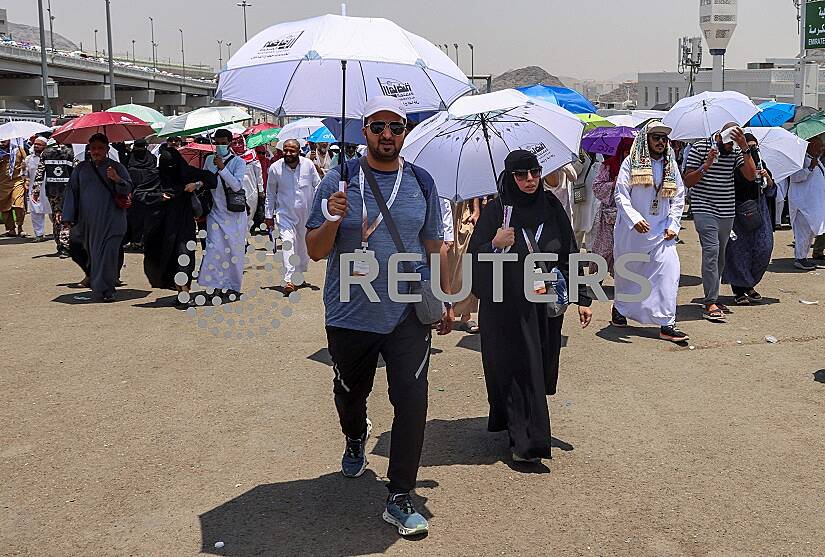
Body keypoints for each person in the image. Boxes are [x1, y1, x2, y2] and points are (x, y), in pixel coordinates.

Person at [305, 95, 449, 537]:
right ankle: (354, 435)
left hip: (407, 310)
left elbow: (434, 246)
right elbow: (314, 250)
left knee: (412, 400)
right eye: (378, 127)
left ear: (405, 133)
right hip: (350, 311)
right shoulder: (340, 178)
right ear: (364, 131)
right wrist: (333, 218)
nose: (387, 135)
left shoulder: (421, 182)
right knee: (351, 391)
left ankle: (400, 496)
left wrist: (442, 295)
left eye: (396, 127)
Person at [468, 149, 593, 463]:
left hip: (543, 303)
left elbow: (569, 250)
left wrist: (583, 297)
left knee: (537, 366)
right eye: (521, 175)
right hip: (506, 308)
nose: (530, 180)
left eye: (535, 173)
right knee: (519, 368)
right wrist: (494, 245)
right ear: (510, 177)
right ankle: (527, 443)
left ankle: (515, 426)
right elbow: (475, 258)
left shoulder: (550, 206)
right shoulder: (497, 212)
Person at [610, 121, 688, 342]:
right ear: (646, 140)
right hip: (633, 232)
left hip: (662, 231)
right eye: (656, 137)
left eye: (664, 138)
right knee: (629, 275)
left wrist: (673, 225)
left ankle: (666, 323)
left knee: (669, 273)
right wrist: (634, 219)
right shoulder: (630, 163)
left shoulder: (671, 165)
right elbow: (621, 195)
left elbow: (679, 196)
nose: (661, 142)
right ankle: (621, 308)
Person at [683, 123, 757, 322]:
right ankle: (710, 302)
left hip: (727, 210)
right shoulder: (699, 148)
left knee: (720, 257)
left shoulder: (735, 150)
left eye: (733, 144)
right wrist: (705, 165)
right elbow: (688, 181)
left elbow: (751, 176)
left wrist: (744, 148)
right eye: (728, 143)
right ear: (719, 137)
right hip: (703, 208)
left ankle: (713, 295)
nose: (730, 147)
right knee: (712, 252)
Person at [61, 134, 132, 302]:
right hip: (90, 222)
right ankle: (99, 283)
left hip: (113, 220)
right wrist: (67, 216)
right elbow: (72, 192)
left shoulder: (117, 167)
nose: (96, 151)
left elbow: (128, 188)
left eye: (100, 148)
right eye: (93, 148)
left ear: (107, 149)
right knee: (92, 254)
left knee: (108, 254)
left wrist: (116, 179)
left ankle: (106, 290)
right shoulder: (81, 169)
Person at [722, 133, 776, 302]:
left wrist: (766, 176)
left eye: (755, 146)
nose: (752, 149)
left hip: (759, 210)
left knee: (764, 247)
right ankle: (740, 290)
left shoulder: (761, 162)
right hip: (739, 210)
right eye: (749, 146)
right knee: (738, 251)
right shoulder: (736, 162)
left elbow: (771, 188)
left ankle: (749, 283)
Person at [265, 138, 321, 293]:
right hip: (284, 215)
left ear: (299, 151)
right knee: (289, 243)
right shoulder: (275, 168)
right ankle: (289, 280)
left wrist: (318, 209)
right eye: (286, 150)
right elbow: (270, 193)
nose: (288, 153)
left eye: (292, 150)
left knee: (302, 247)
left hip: (306, 214)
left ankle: (299, 276)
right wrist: (268, 215)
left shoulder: (308, 165)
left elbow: (317, 186)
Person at [198, 128, 248, 299]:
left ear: (230, 143)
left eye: (223, 143)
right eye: (217, 142)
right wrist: (196, 184)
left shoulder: (239, 162)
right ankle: (215, 286)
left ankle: (232, 286)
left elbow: (237, 186)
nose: (220, 146)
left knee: (233, 252)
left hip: (234, 216)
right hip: (215, 213)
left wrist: (222, 169)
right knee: (214, 250)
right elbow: (205, 180)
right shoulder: (208, 160)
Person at [589, 138, 635, 276]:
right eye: (627, 152)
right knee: (605, 248)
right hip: (609, 216)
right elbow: (597, 187)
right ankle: (598, 278)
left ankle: (623, 280)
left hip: (631, 216)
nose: (629, 156)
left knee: (625, 249)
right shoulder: (608, 166)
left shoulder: (641, 168)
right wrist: (612, 184)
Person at [787, 134, 825, 271]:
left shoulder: (815, 159)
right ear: (810, 146)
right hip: (802, 204)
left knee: (809, 234)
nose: (822, 148)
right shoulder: (800, 160)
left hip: (812, 204)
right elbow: (795, 177)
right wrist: (809, 168)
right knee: (802, 233)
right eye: (819, 146)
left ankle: (804, 257)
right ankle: (800, 259)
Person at [33, 139, 75, 257]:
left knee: (56, 217)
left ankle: (60, 245)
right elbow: (75, 172)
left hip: (52, 192)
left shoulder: (45, 153)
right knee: (66, 218)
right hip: (67, 191)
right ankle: (65, 247)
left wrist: (36, 191)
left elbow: (39, 173)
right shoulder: (70, 152)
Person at [446, 198, 481, 333]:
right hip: (440, 208)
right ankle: (440, 311)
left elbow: (470, 183)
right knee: (442, 264)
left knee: (467, 262)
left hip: (462, 210)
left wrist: (476, 209)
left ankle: (466, 315)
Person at [124, 139, 157, 252]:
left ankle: (144, 241)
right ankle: (135, 241)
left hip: (148, 194)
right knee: (134, 219)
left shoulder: (151, 158)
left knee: (146, 219)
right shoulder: (129, 158)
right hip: (135, 195)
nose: (139, 151)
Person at [231, 134, 264, 234]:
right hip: (234, 191)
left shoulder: (252, 154)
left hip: (251, 190)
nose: (237, 145)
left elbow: (259, 174)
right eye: (234, 142)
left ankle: (244, 237)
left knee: (249, 214)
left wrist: (261, 190)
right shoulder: (229, 156)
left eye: (239, 142)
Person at [24, 137, 51, 242]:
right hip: (35, 190)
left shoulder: (50, 157)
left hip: (49, 189)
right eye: (35, 144)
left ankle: (58, 232)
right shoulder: (28, 159)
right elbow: (25, 176)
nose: (36, 146)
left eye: (39, 144)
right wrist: (23, 169)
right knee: (35, 213)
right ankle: (39, 235)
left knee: (53, 212)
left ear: (45, 146)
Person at [0, 138, 28, 237]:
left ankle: (20, 228)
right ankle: (11, 230)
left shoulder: (18, 149)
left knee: (19, 205)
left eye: (4, 141)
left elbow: (27, 162)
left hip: (17, 181)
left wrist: (24, 165)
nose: (1, 143)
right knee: (5, 208)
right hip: (2, 183)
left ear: (9, 140)